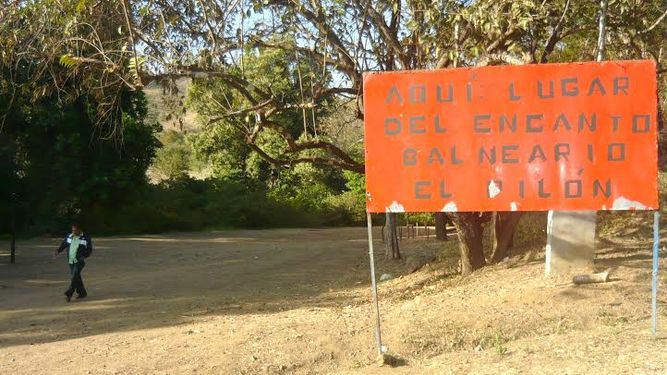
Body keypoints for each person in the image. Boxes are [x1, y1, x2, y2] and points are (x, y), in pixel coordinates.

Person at [54, 223, 93, 302]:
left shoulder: (85, 238)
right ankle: (82, 293)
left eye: (75, 230)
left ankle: (69, 293)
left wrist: (84, 256)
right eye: (72, 230)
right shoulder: (69, 236)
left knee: (74, 277)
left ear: (80, 230)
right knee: (76, 277)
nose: (73, 232)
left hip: (79, 261)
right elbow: (64, 244)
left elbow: (89, 249)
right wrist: (58, 250)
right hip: (71, 260)